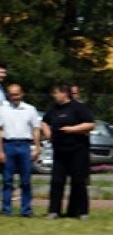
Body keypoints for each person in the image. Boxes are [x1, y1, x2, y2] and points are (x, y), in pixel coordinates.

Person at [42, 83, 94, 219]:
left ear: (64, 93)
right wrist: (48, 133)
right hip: (60, 151)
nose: (54, 95)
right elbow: (44, 121)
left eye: (56, 93)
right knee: (57, 181)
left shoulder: (78, 108)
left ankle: (81, 211)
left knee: (78, 181)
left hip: (77, 150)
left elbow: (90, 124)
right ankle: (54, 211)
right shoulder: (54, 109)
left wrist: (72, 129)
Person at [0, 83, 43, 217]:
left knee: (26, 180)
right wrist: (0, 151)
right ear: (8, 95)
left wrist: (37, 148)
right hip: (8, 145)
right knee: (7, 180)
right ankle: (6, 210)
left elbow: (36, 129)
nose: (14, 97)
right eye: (12, 94)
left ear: (22, 94)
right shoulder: (2, 110)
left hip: (24, 145)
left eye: (17, 94)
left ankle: (26, 210)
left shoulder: (30, 109)